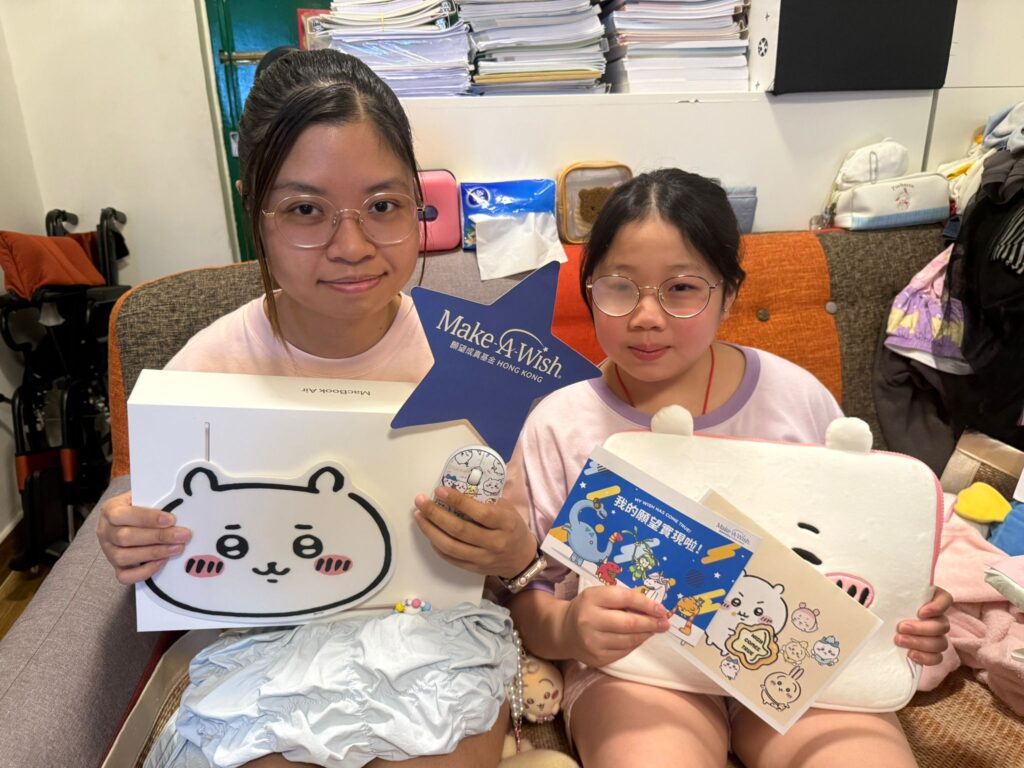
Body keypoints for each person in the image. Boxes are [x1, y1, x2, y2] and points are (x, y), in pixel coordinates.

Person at [96, 49, 539, 768]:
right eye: (306, 210)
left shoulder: (470, 364)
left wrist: (513, 553)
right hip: (261, 654)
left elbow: (516, 550)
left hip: (426, 641)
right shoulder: (208, 371)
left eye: (384, 207)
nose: (352, 246)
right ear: (257, 211)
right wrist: (131, 537)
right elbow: (166, 536)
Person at [504, 168, 953, 768]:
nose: (646, 316)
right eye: (618, 286)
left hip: (797, 664)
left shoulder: (797, 397)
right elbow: (523, 594)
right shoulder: (560, 422)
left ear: (730, 295)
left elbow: (860, 549)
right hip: (637, 672)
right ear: (589, 291)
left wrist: (909, 616)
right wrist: (570, 631)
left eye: (682, 289)